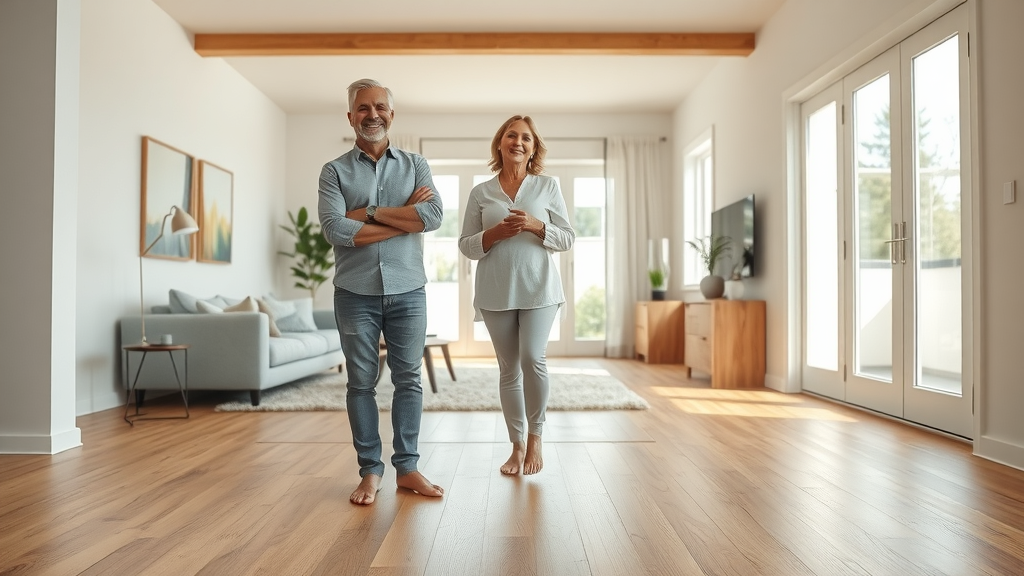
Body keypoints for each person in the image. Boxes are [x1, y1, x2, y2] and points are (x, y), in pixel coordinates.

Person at [318, 78, 445, 505]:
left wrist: (368, 213)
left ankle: (407, 469)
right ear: (351, 116)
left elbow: (432, 216)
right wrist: (401, 216)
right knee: (361, 383)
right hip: (355, 292)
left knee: (409, 380)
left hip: (409, 290)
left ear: (391, 113)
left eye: (380, 107)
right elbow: (335, 229)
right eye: (363, 108)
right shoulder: (334, 171)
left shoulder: (416, 163)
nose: (372, 114)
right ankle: (369, 472)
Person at [458, 115, 576, 475]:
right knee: (508, 369)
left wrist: (536, 225)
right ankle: (517, 445)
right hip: (495, 292)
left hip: (540, 288)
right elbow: (466, 245)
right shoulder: (481, 192)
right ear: (500, 143)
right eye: (512, 135)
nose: (518, 142)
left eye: (526, 138)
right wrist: (495, 234)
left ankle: (537, 437)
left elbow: (568, 238)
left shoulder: (547, 186)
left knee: (531, 358)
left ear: (533, 147)